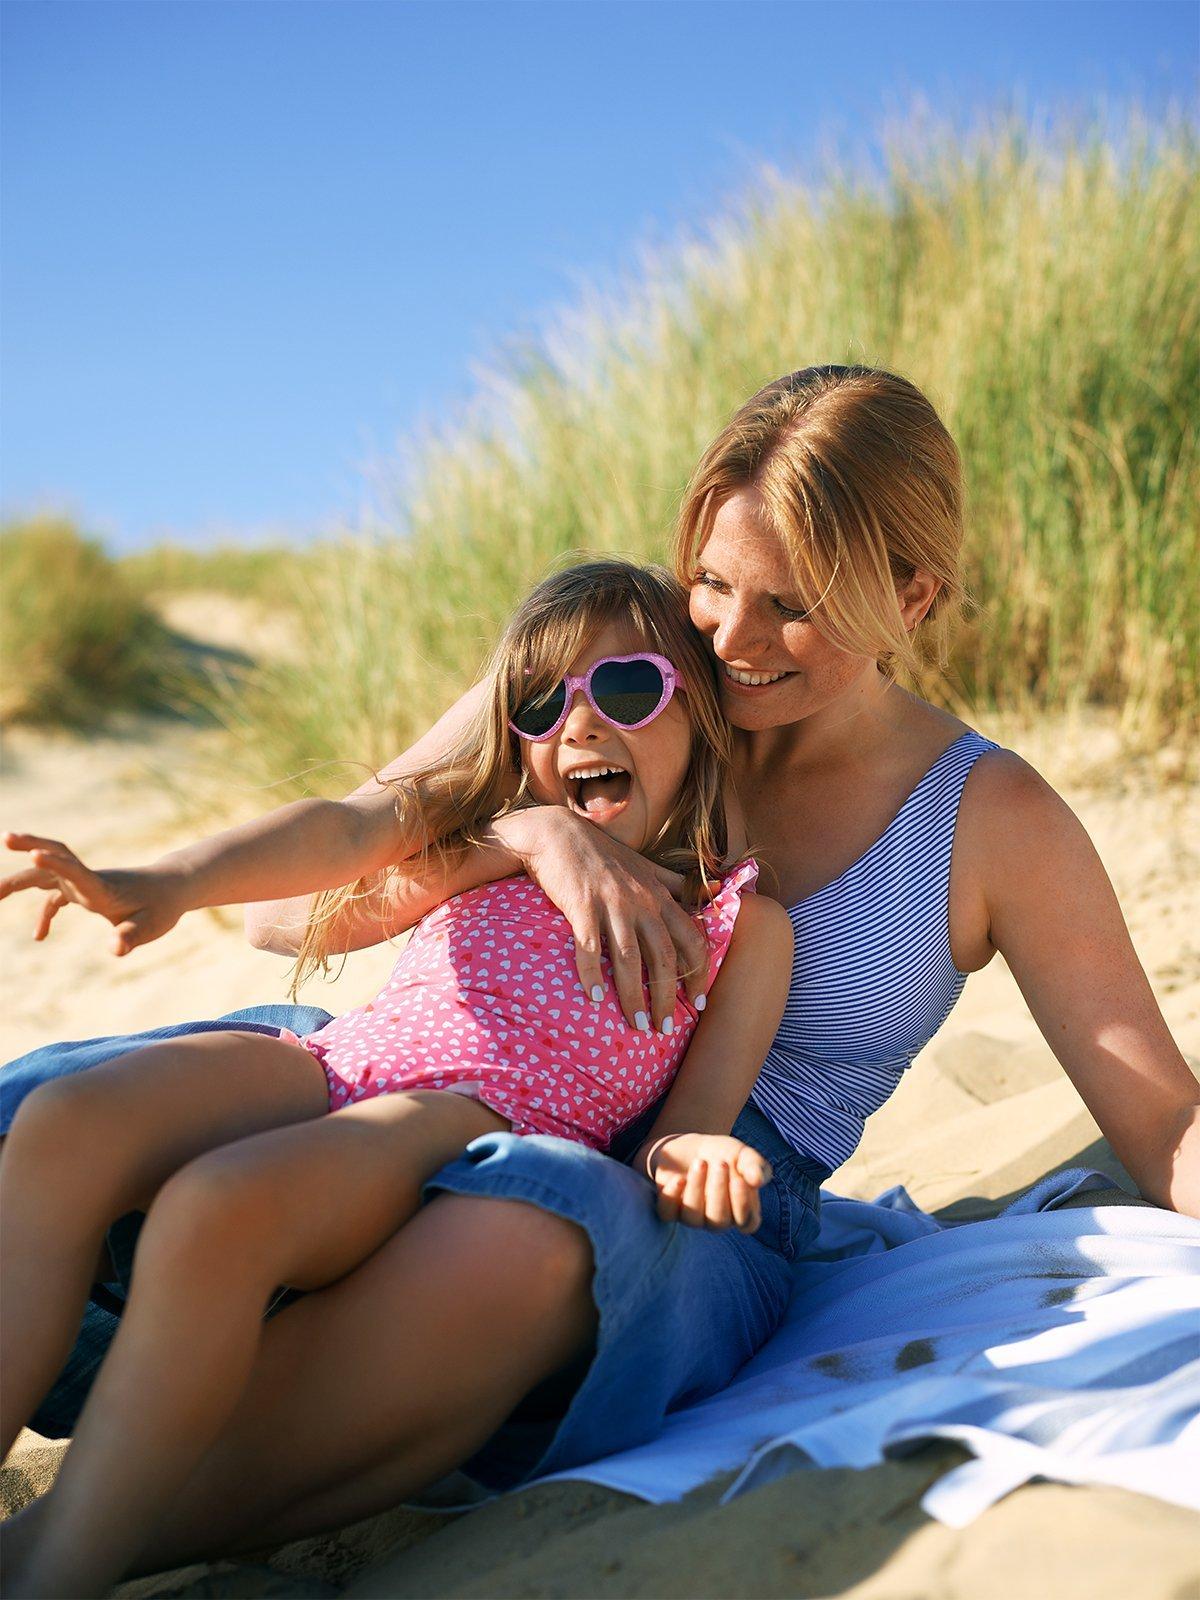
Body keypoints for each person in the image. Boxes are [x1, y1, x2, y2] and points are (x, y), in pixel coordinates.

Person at [1, 364, 1195, 1590]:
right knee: (71, 1122)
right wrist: (528, 835)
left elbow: (1162, 1112)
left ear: (913, 594)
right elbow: (295, 916)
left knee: (509, 1248)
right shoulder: (613, 671)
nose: (731, 638)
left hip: (694, 1189)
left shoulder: (989, 816)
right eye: (714, 582)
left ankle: (62, 1546)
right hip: (435, 1064)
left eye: (792, 605)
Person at [0, 560, 793, 1598]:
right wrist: (166, 882)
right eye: (543, 705)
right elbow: (343, 835)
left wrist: (698, 1155)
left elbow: (684, 1121)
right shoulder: (492, 843)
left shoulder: (737, 926)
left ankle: (53, 1570)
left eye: (629, 689)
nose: (581, 726)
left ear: (703, 711)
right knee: (68, 1123)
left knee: (216, 1210)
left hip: (464, 1117)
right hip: (331, 1060)